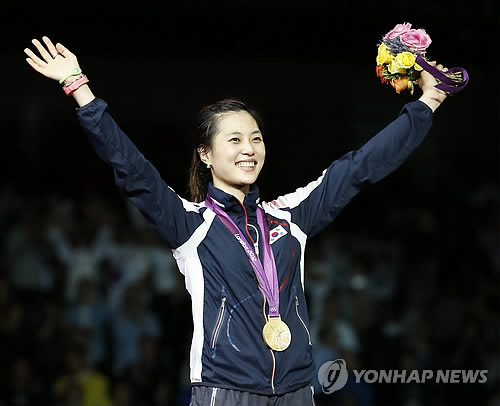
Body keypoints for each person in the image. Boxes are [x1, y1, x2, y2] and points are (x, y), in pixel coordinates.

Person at [24, 36, 448, 406]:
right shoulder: (190, 226)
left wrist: (427, 101)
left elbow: (359, 167)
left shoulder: (290, 217)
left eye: (256, 138)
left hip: (298, 390)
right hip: (223, 390)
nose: (249, 149)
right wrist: (79, 88)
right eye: (235, 139)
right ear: (206, 155)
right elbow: (131, 167)